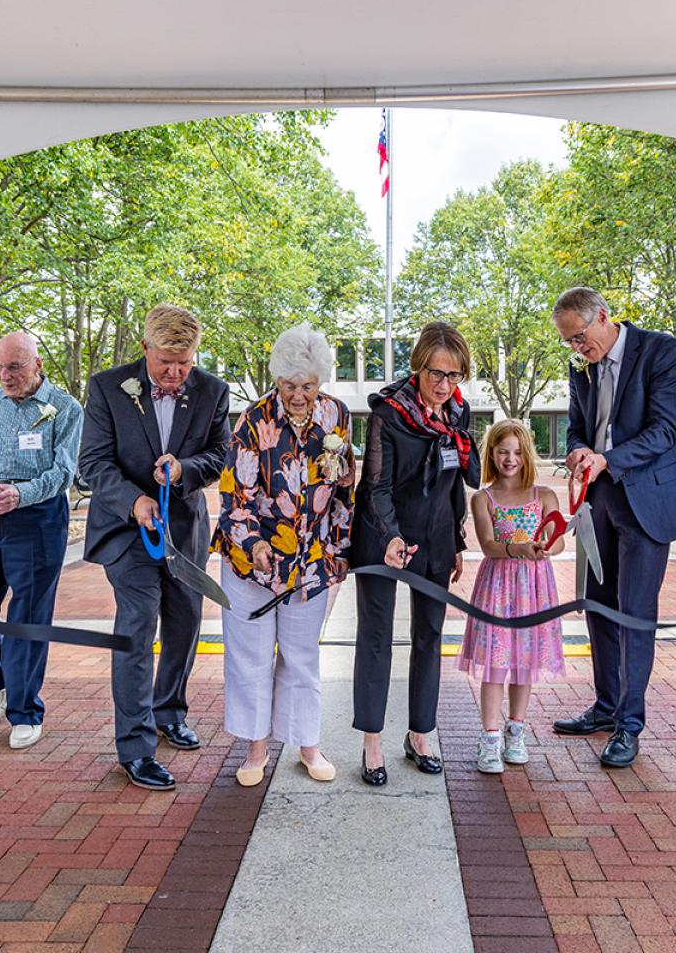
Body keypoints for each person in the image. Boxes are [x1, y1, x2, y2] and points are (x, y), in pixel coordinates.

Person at [549, 287, 676, 769]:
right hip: (597, 501)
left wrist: (607, 459)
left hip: (645, 500)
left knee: (635, 613)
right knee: (598, 606)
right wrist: (578, 450)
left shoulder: (662, 351)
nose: (577, 349)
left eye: (580, 337)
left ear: (603, 317)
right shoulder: (581, 367)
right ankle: (605, 705)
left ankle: (629, 725)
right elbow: (577, 424)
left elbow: (664, 432)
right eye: (569, 343)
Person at [79, 303, 229, 790]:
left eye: (184, 363)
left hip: (185, 532)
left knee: (184, 626)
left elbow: (220, 455)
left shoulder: (213, 391)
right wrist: (135, 500)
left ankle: (170, 711)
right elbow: (93, 463)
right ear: (144, 348)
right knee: (138, 629)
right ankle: (136, 748)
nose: (175, 373)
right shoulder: (106, 387)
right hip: (127, 532)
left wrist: (185, 470)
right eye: (166, 362)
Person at [214, 324, 355, 786]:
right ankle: (256, 749)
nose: (299, 395)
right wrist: (253, 544)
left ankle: (306, 745)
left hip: (309, 560)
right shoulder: (254, 420)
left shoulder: (337, 415)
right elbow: (235, 496)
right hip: (251, 560)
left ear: (321, 382)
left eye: (308, 386)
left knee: (301, 656)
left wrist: (337, 549)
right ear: (276, 380)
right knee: (250, 657)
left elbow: (343, 490)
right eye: (290, 385)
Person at [350, 321, 481, 786]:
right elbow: (376, 484)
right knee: (376, 637)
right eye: (436, 373)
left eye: (453, 375)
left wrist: (458, 542)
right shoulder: (388, 412)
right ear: (418, 367)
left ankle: (420, 734)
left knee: (429, 636)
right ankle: (371, 742)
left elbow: (456, 484)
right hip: (384, 536)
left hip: (437, 537)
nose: (444, 384)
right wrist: (389, 537)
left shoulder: (457, 415)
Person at [0, 331, 82, 750]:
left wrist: (20, 495)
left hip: (37, 516)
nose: (5, 376)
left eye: (15, 367)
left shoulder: (64, 408)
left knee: (27, 615)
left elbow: (64, 472)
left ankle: (25, 712)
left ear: (37, 365)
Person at [457, 419, 567, 774]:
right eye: (503, 451)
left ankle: (515, 731)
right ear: (492, 454)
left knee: (524, 662)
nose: (510, 458)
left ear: (527, 455)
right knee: (496, 662)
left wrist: (548, 546)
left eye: (518, 452)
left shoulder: (544, 495)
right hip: (499, 589)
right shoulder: (482, 498)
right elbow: (489, 545)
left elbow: (557, 538)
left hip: (534, 589)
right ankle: (490, 737)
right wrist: (519, 548)